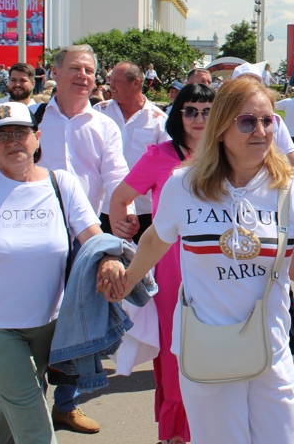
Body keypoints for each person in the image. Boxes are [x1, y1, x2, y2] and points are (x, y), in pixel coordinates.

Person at [99, 77, 294, 443]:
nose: (260, 131)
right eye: (247, 122)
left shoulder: (293, 191)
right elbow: (155, 240)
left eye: (268, 121)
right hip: (204, 352)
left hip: (270, 351)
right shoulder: (184, 186)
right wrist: (127, 282)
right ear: (221, 128)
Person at [0, 101, 101, 444]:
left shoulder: (61, 183)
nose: (12, 141)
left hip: (50, 321)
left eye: (20, 132)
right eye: (0, 136)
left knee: (16, 397)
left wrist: (110, 261)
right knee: (29, 409)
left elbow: (93, 237)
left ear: (37, 138)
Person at [30, 44, 130, 433]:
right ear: (54, 72)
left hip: (85, 238)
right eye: (75, 68)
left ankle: (66, 405)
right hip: (35, 234)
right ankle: (30, 400)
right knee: (35, 320)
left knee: (79, 320)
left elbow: (116, 176)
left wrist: (122, 218)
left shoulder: (104, 124)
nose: (83, 76)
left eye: (89, 70)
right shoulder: (33, 119)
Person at [106, 83, 214, 444]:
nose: (199, 118)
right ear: (178, 115)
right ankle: (176, 434)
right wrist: (125, 225)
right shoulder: (159, 156)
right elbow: (120, 198)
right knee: (175, 351)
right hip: (170, 267)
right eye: (191, 110)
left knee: (219, 347)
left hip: (220, 267)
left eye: (207, 110)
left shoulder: (229, 153)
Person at [94, 61, 170, 242]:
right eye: (109, 80)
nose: (110, 85)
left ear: (136, 83)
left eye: (116, 81)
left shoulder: (159, 120)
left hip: (145, 210)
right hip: (103, 207)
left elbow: (167, 168)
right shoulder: (98, 113)